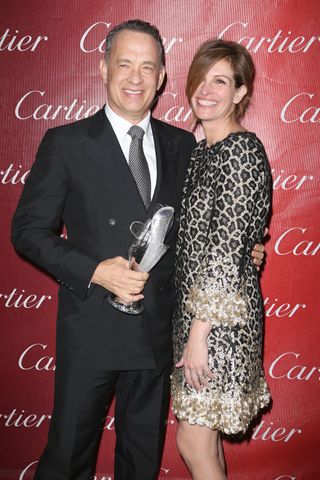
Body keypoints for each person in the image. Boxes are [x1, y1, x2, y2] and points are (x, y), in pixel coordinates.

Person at [11, 20, 265, 480]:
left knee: (141, 463)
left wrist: (245, 252)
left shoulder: (184, 144)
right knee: (66, 459)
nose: (135, 77)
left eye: (148, 67)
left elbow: (209, 225)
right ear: (104, 68)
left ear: (163, 76)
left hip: (157, 334)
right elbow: (27, 231)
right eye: (124, 64)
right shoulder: (66, 143)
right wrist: (94, 271)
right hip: (91, 329)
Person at [171, 39, 272, 479]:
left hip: (218, 323)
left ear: (240, 92)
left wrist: (198, 335)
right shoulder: (201, 153)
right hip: (197, 316)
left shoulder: (240, 151)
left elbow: (225, 252)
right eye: (202, 78)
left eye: (221, 80)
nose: (207, 90)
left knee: (192, 441)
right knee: (204, 442)